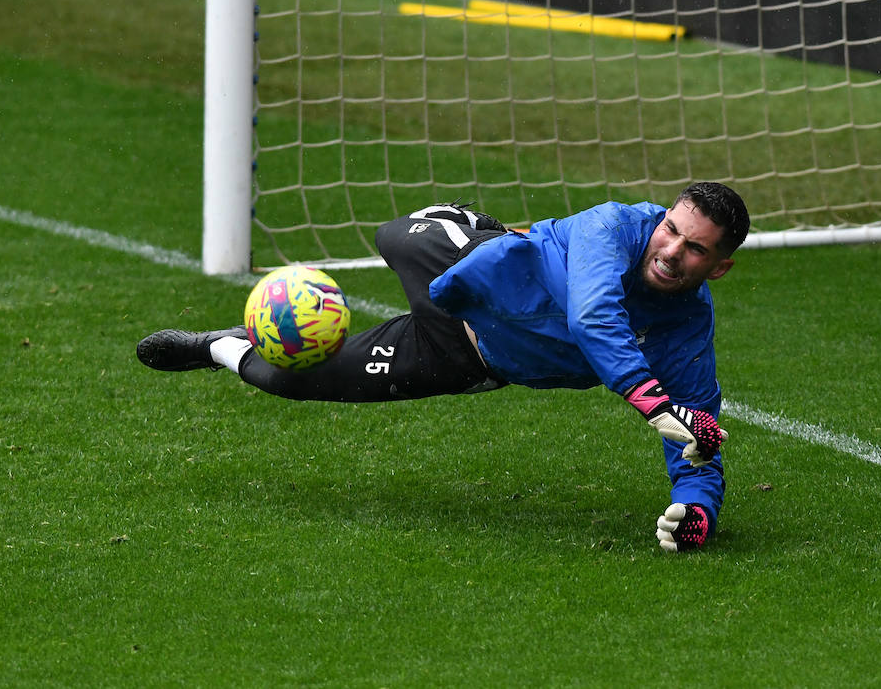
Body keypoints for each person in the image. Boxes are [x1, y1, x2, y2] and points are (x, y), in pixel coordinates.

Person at [137, 181, 750, 552]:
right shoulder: (614, 226)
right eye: (672, 229)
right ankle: (481, 226)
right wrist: (649, 400)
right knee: (393, 237)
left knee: (285, 379)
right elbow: (593, 316)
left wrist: (697, 512)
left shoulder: (686, 326)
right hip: (461, 266)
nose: (670, 250)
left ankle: (214, 345)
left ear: (718, 267)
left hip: (462, 355)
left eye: (694, 248)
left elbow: (699, 436)